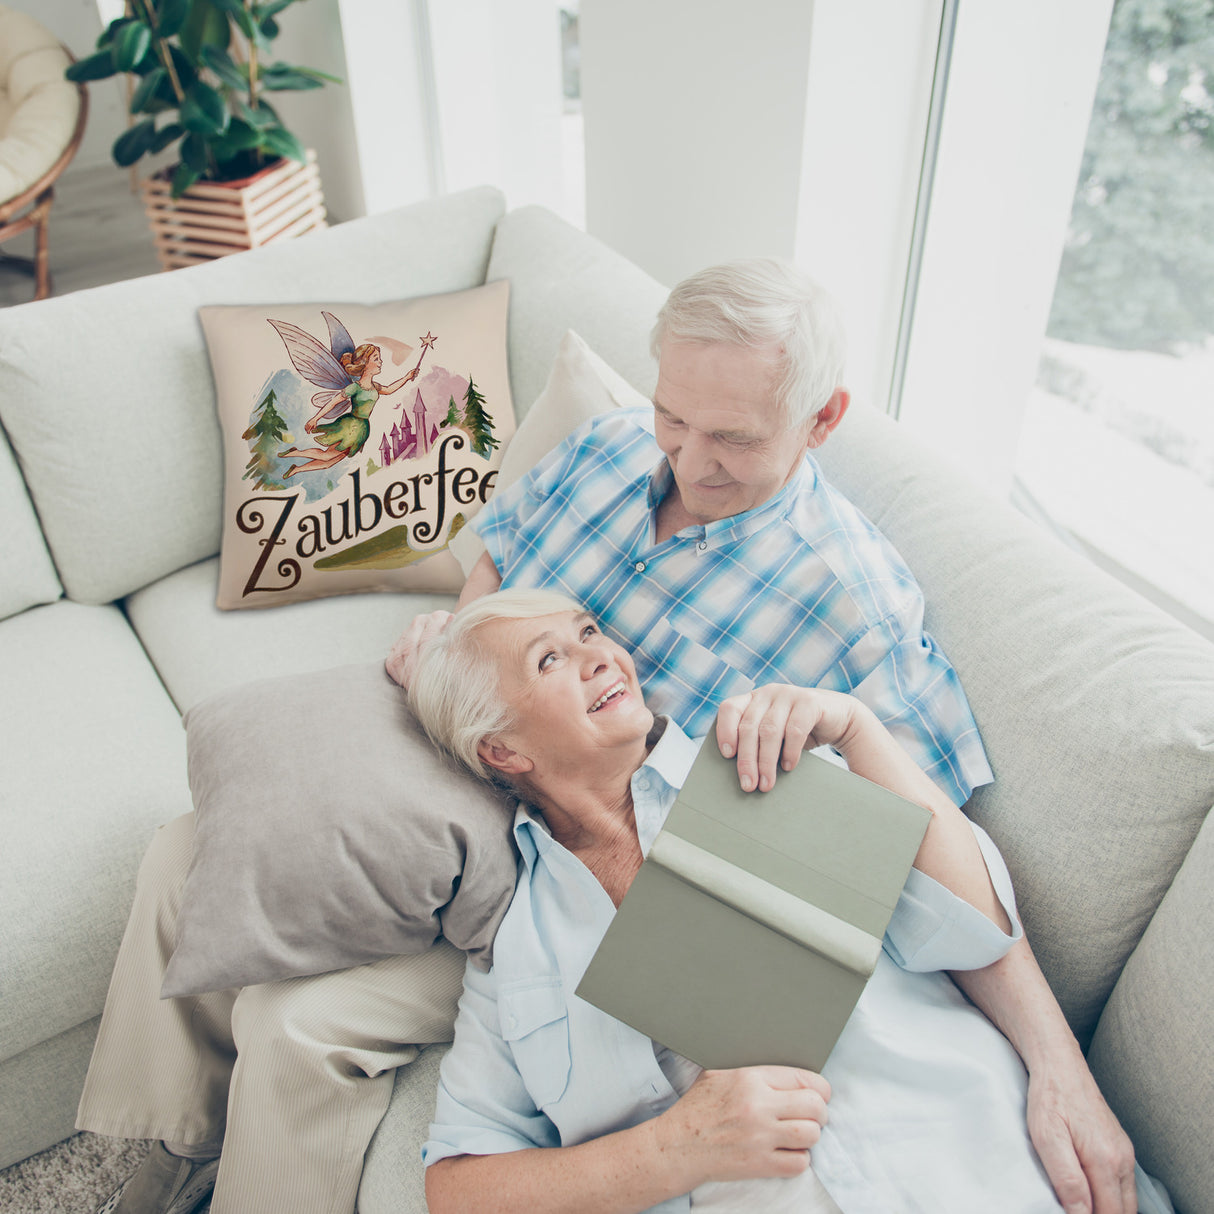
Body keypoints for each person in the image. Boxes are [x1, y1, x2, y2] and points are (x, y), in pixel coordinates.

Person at [79, 260, 1132, 1214]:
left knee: (300, 1023)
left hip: (580, 852)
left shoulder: (854, 608)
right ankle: (160, 1149)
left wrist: (1058, 1064)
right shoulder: (608, 447)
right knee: (192, 847)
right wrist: (459, 644)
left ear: (820, 420)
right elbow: (498, 561)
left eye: (732, 438)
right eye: (675, 416)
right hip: (488, 748)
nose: (688, 458)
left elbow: (926, 855)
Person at [408, 589, 1161, 1214]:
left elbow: (973, 929)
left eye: (588, 632)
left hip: (986, 1169)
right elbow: (458, 1188)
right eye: (550, 659)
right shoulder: (517, 951)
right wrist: (673, 1150)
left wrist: (859, 731)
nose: (601, 655)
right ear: (502, 750)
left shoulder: (762, 762)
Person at [278, 341, 418, 477]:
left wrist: (407, 377)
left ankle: (297, 469)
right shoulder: (355, 387)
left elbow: (389, 390)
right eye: (376, 358)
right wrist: (315, 418)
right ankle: (295, 453)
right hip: (351, 426)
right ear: (365, 364)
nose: (380, 362)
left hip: (362, 428)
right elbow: (333, 401)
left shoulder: (375, 387)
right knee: (327, 456)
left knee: (329, 463)